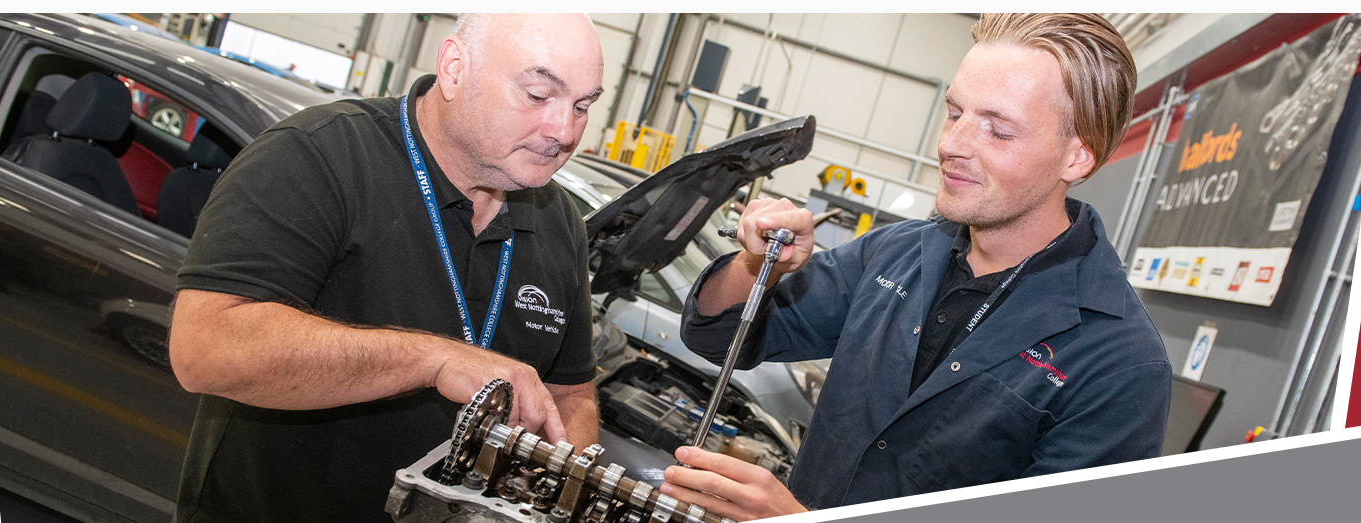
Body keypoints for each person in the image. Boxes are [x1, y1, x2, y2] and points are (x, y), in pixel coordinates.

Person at [660, 13, 1170, 520]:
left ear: (1076, 157)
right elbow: (717, 335)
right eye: (955, 113)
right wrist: (759, 265)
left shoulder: (1121, 364)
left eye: (997, 130)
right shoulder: (896, 252)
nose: (951, 145)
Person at [165, 14, 607, 522]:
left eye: (581, 105)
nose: (564, 130)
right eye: (537, 95)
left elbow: (570, 391)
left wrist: (552, 486)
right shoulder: (319, 156)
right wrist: (433, 361)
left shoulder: (559, 223)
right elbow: (206, 350)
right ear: (455, 68)